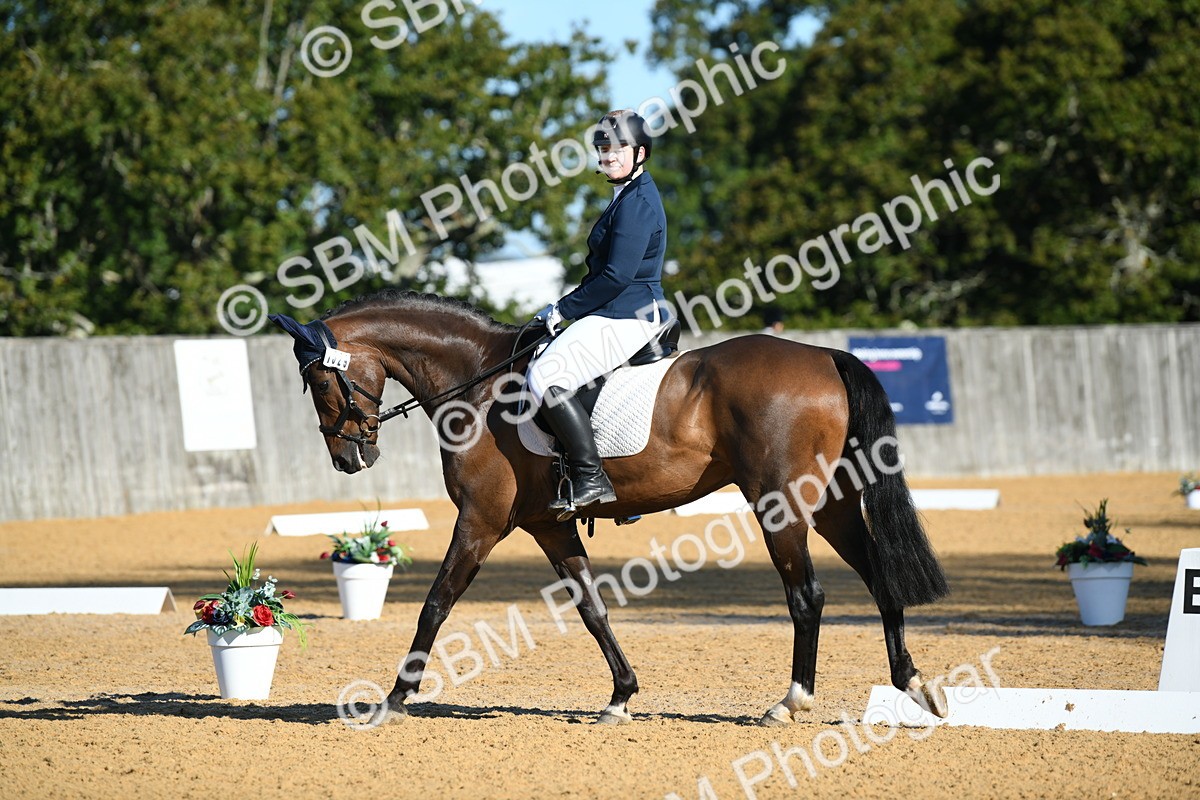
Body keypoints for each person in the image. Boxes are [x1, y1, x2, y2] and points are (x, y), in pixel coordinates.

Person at [527, 109, 672, 519]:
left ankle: (591, 477)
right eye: (603, 147)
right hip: (617, 310)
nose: (608, 155)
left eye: (618, 147)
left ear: (640, 152)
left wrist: (562, 309)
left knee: (546, 377)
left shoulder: (638, 203)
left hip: (626, 313)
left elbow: (615, 276)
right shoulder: (626, 195)